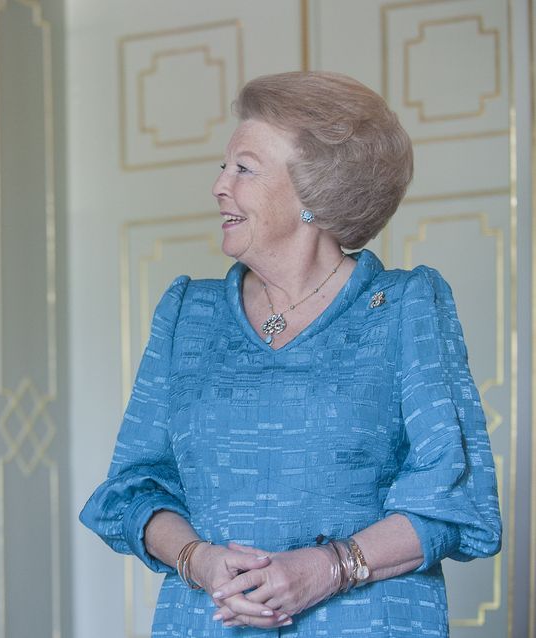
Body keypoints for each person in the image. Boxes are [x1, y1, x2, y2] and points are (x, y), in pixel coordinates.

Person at [79, 71, 501, 636]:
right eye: (223, 167)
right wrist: (197, 561)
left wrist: (328, 568)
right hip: (209, 622)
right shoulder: (188, 313)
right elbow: (133, 488)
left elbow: (453, 498)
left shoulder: (405, 308)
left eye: (244, 169)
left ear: (312, 191)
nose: (219, 186)